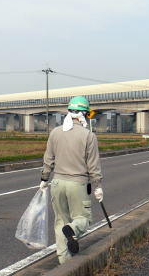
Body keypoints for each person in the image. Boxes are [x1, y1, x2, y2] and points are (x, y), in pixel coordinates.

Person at [39, 96, 103, 264]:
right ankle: (72, 229)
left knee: (60, 221)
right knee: (83, 219)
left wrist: (44, 178)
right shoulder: (89, 136)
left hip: (57, 183)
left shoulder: (55, 133)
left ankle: (64, 263)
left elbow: (48, 159)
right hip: (77, 183)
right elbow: (93, 165)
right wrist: (98, 186)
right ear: (84, 114)